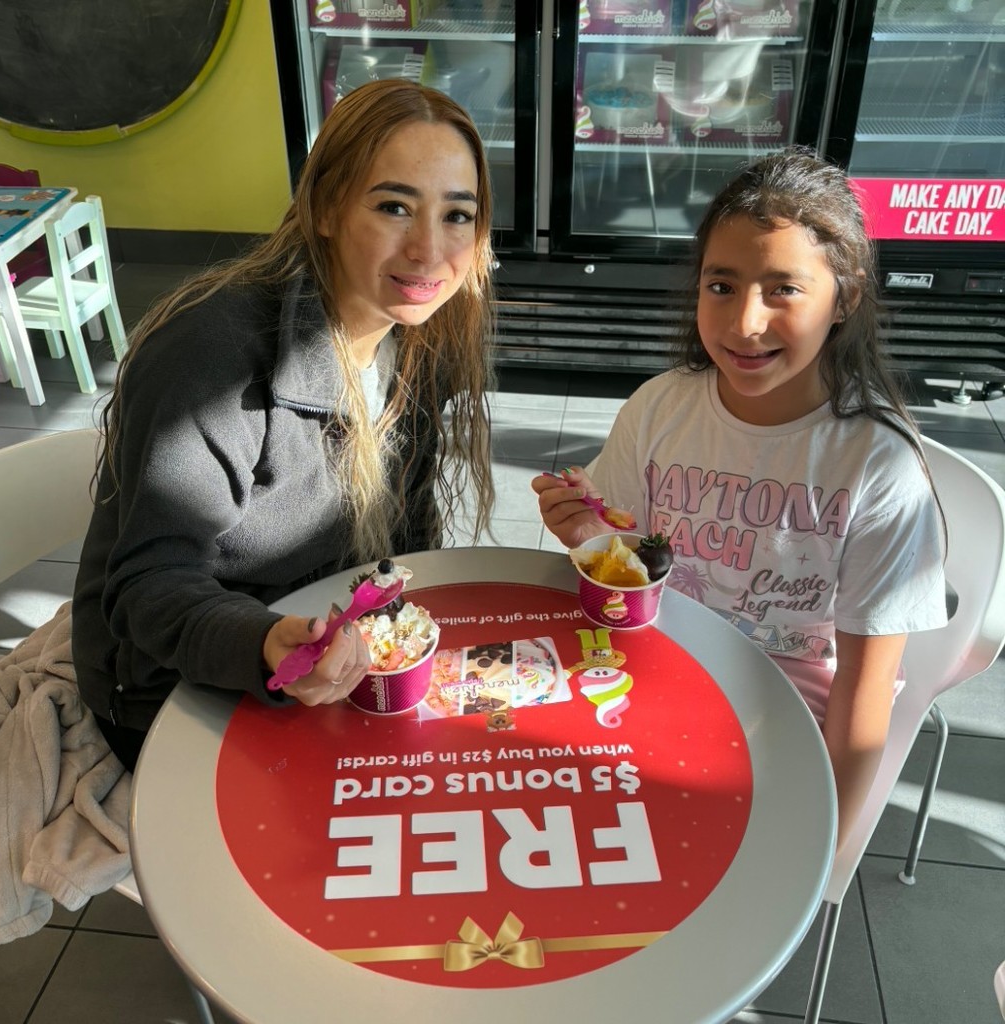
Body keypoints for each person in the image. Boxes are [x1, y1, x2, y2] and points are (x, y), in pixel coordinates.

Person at [73, 79, 497, 772]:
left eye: (457, 216)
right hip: (172, 690)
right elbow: (148, 586)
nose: (430, 250)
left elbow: (406, 531)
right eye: (394, 206)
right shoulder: (210, 357)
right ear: (325, 208)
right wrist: (266, 644)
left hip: (332, 653)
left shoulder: (420, 338)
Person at [532, 148, 947, 849]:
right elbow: (628, 557)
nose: (744, 323)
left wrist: (828, 841)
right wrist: (587, 536)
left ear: (844, 297)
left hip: (783, 716)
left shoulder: (879, 466)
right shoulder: (660, 408)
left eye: (783, 289)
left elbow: (863, 694)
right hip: (653, 675)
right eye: (721, 286)